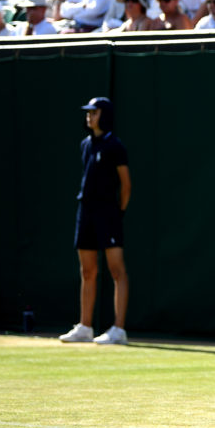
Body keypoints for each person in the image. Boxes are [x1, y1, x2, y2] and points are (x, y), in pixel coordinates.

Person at [59, 97, 132, 346]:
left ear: (105, 114)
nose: (89, 116)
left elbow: (126, 186)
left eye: (95, 111)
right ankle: (85, 326)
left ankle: (118, 329)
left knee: (116, 270)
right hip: (86, 212)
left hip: (108, 213)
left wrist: (117, 213)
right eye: (88, 112)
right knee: (87, 271)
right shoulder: (85, 145)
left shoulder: (115, 146)